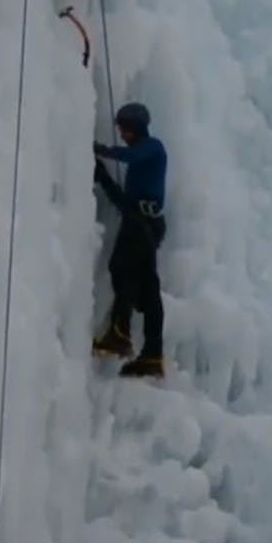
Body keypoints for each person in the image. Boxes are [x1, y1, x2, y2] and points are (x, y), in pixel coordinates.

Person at [92, 102, 168, 378]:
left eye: (124, 129)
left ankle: (120, 332)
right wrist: (103, 176)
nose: (122, 134)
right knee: (148, 288)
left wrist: (100, 150)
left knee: (121, 267)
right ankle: (152, 353)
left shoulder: (153, 148)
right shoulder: (142, 164)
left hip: (141, 222)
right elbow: (124, 202)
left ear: (136, 126)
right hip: (145, 221)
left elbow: (133, 156)